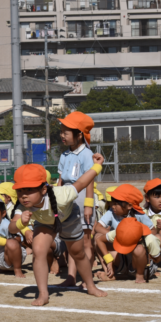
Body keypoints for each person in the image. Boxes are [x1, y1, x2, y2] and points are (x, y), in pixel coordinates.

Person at [9, 157, 107, 306]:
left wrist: (98, 166)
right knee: (38, 250)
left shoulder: (62, 195)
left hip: (68, 218)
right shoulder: (23, 206)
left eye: (29, 189)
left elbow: (81, 182)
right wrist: (20, 222)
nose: (23, 195)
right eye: (20, 190)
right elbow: (11, 228)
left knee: (78, 254)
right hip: (44, 222)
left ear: (43, 189)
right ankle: (43, 294)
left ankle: (91, 286)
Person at [56, 112, 96, 287]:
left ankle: (88, 279)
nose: (62, 135)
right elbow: (60, 180)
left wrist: (88, 205)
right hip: (66, 197)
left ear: (79, 134)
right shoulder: (64, 155)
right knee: (72, 240)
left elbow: (89, 180)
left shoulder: (87, 154)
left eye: (66, 132)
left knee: (86, 241)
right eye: (62, 131)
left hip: (81, 198)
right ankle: (71, 277)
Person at [93, 184, 157, 281]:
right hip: (119, 250)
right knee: (98, 238)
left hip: (135, 253)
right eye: (112, 203)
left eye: (116, 203)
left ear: (129, 206)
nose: (112, 206)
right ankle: (109, 271)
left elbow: (153, 230)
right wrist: (118, 236)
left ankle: (143, 270)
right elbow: (98, 227)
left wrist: (137, 237)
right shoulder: (111, 212)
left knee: (144, 246)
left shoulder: (139, 214)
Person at [105, 218, 161, 283]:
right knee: (104, 247)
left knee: (139, 249)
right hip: (127, 262)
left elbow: (157, 260)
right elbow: (99, 239)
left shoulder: (150, 240)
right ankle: (109, 272)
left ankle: (139, 274)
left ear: (140, 239)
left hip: (145, 268)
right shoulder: (122, 232)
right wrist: (109, 261)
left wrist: (144, 256)